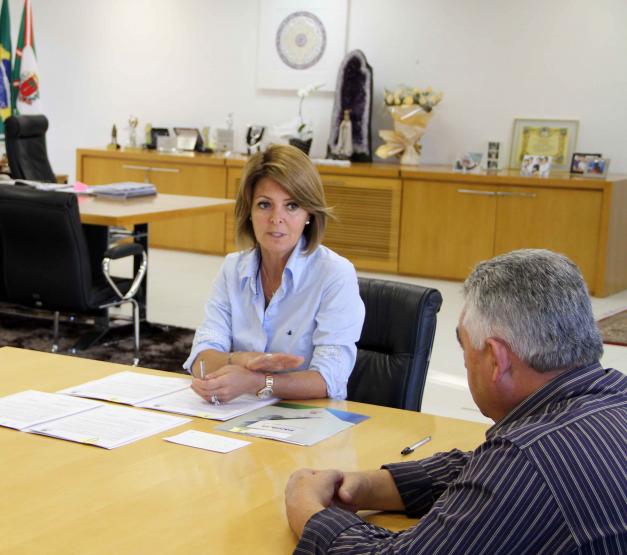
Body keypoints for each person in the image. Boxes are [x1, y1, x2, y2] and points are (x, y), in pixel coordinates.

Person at [285, 249, 627, 553]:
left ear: (496, 359)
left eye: (465, 347)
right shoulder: (611, 396)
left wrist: (308, 511)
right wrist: (368, 487)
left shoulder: (527, 459)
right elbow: (481, 470)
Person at [184, 144, 364, 402]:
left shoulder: (335, 274)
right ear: (249, 212)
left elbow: (329, 380)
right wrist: (241, 359)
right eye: (264, 204)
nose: (276, 218)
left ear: (309, 214)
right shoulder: (232, 269)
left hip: (307, 417)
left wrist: (255, 382)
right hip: (238, 413)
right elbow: (201, 359)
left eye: (291, 206)